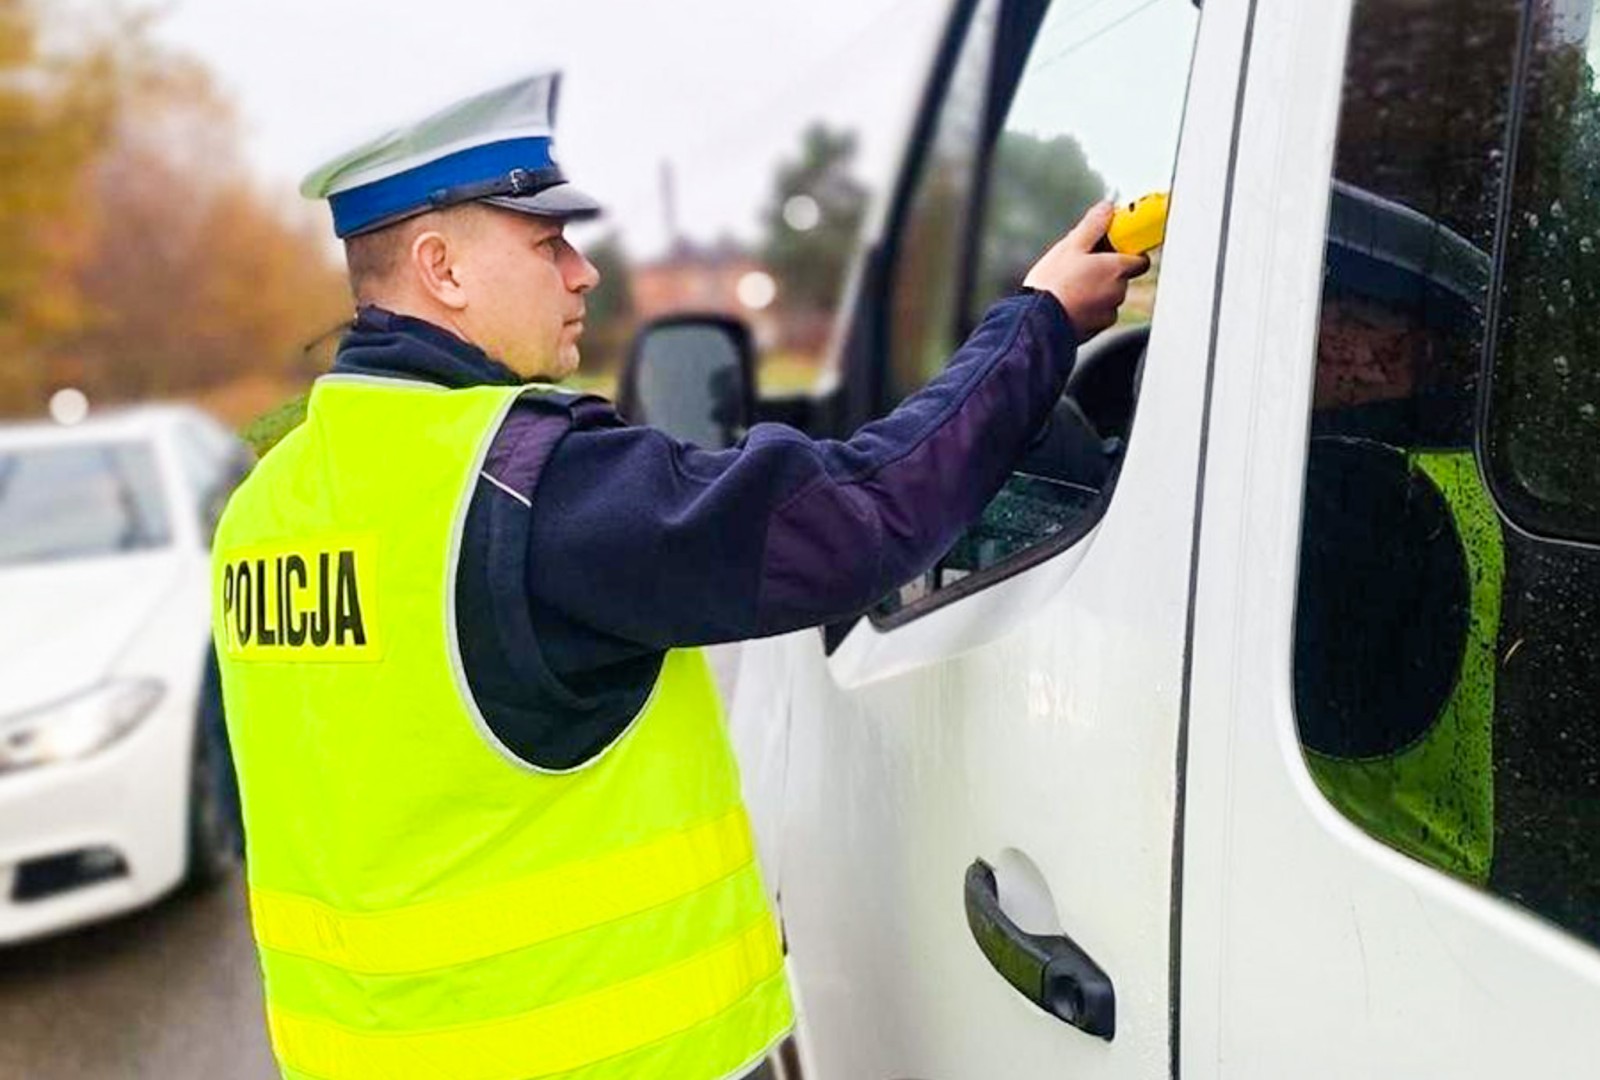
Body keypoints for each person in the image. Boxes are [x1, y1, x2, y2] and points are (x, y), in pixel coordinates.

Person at [211, 71, 1146, 1080]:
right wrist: (1039, 321)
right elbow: (860, 518)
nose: (584, 274)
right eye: (547, 242)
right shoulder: (532, 489)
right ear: (441, 268)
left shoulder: (265, 506)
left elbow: (268, 808)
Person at [1294, 182, 1504, 886]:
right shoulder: (1458, 468)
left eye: (1336, 313)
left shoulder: (1357, 491)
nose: (1309, 332)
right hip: (1432, 874)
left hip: (1351, 881)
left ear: (1405, 354)